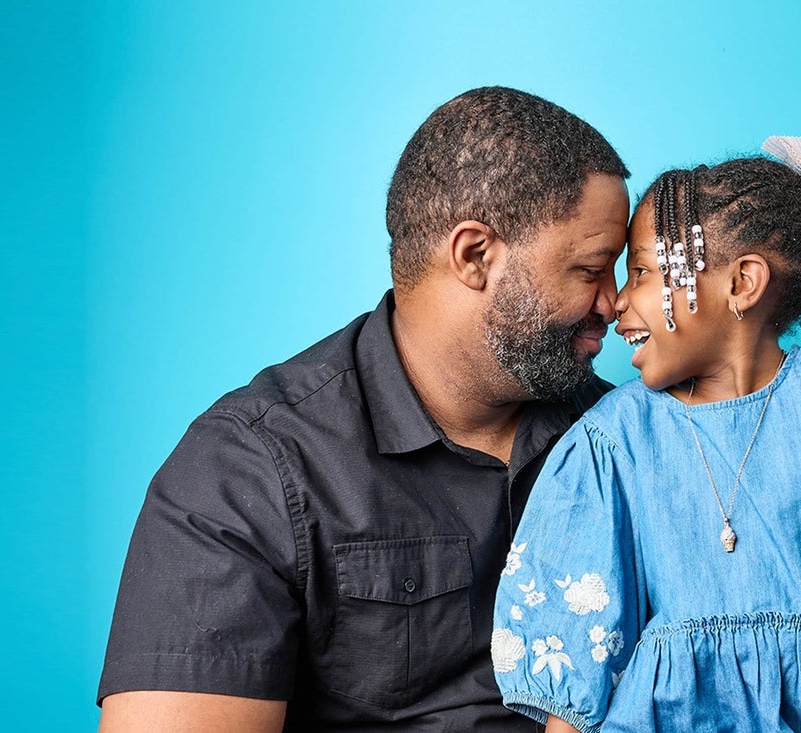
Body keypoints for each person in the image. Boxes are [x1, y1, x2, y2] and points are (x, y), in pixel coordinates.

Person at [97, 86, 630, 732]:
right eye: (591, 269)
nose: (617, 303)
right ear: (475, 255)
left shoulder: (628, 437)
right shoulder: (247, 471)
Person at [491, 131, 801, 732]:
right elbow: (578, 655)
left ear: (742, 283)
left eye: (639, 272)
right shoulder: (612, 441)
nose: (616, 305)